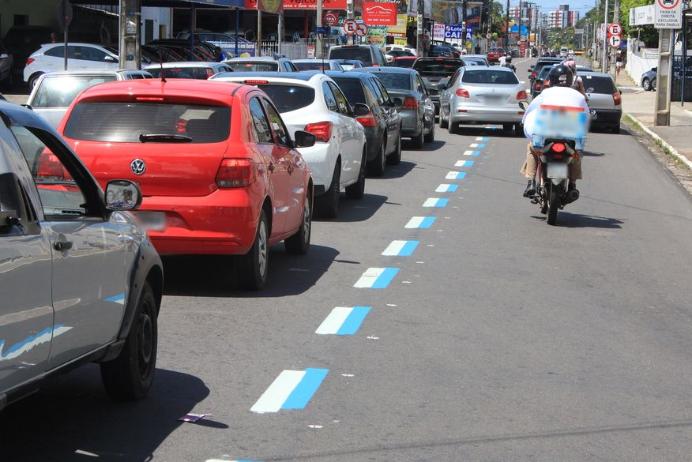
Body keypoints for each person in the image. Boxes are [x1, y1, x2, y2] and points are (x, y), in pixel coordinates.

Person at [520, 64, 590, 199]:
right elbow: (586, 115)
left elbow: (531, 109)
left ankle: (531, 183)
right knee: (576, 154)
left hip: (546, 136)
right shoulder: (579, 96)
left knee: (532, 148)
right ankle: (572, 186)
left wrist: (524, 121)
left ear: (551, 80)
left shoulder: (545, 93)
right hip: (570, 138)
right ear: (570, 80)